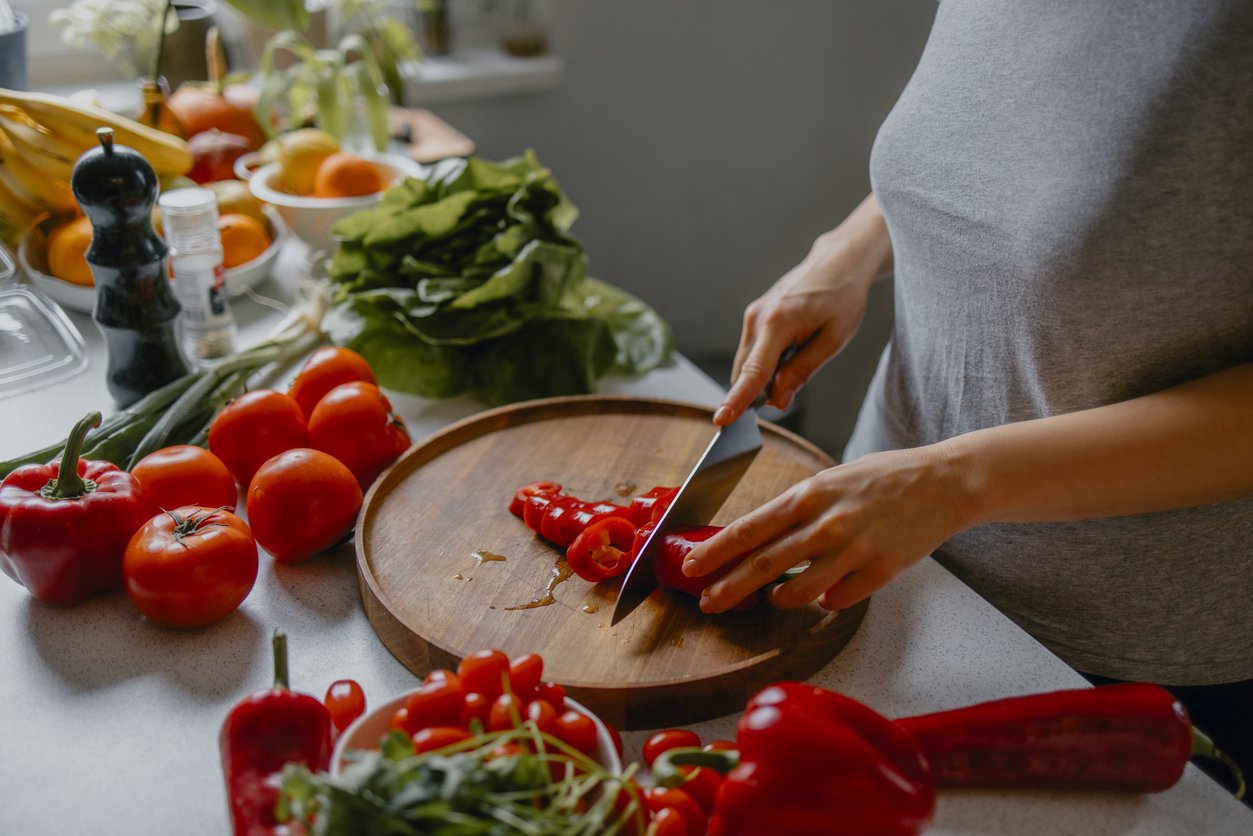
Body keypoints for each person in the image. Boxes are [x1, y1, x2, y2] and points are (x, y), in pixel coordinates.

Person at [680, 0, 1253, 800]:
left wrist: (957, 482)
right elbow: (998, 146)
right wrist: (844, 253)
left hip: (1122, 659)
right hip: (882, 558)